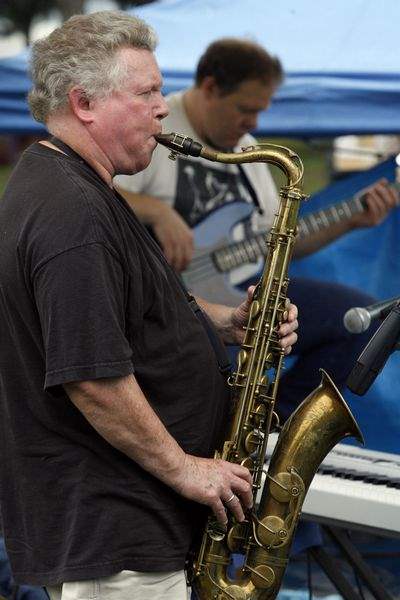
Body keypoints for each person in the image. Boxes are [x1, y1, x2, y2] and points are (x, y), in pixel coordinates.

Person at [0, 13, 298, 600]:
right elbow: (90, 376)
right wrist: (188, 469)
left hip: (132, 524)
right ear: (85, 102)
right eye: (149, 93)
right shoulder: (71, 213)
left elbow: (132, 312)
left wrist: (233, 325)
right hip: (119, 534)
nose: (165, 108)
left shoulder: (81, 188)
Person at [115, 37, 398, 418]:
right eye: (245, 109)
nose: (253, 124)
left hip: (238, 292)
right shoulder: (159, 128)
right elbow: (97, 193)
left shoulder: (249, 148)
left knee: (362, 322)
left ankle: (273, 423)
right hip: (164, 302)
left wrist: (350, 220)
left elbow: (277, 242)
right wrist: (157, 211)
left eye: (260, 112)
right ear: (211, 87)